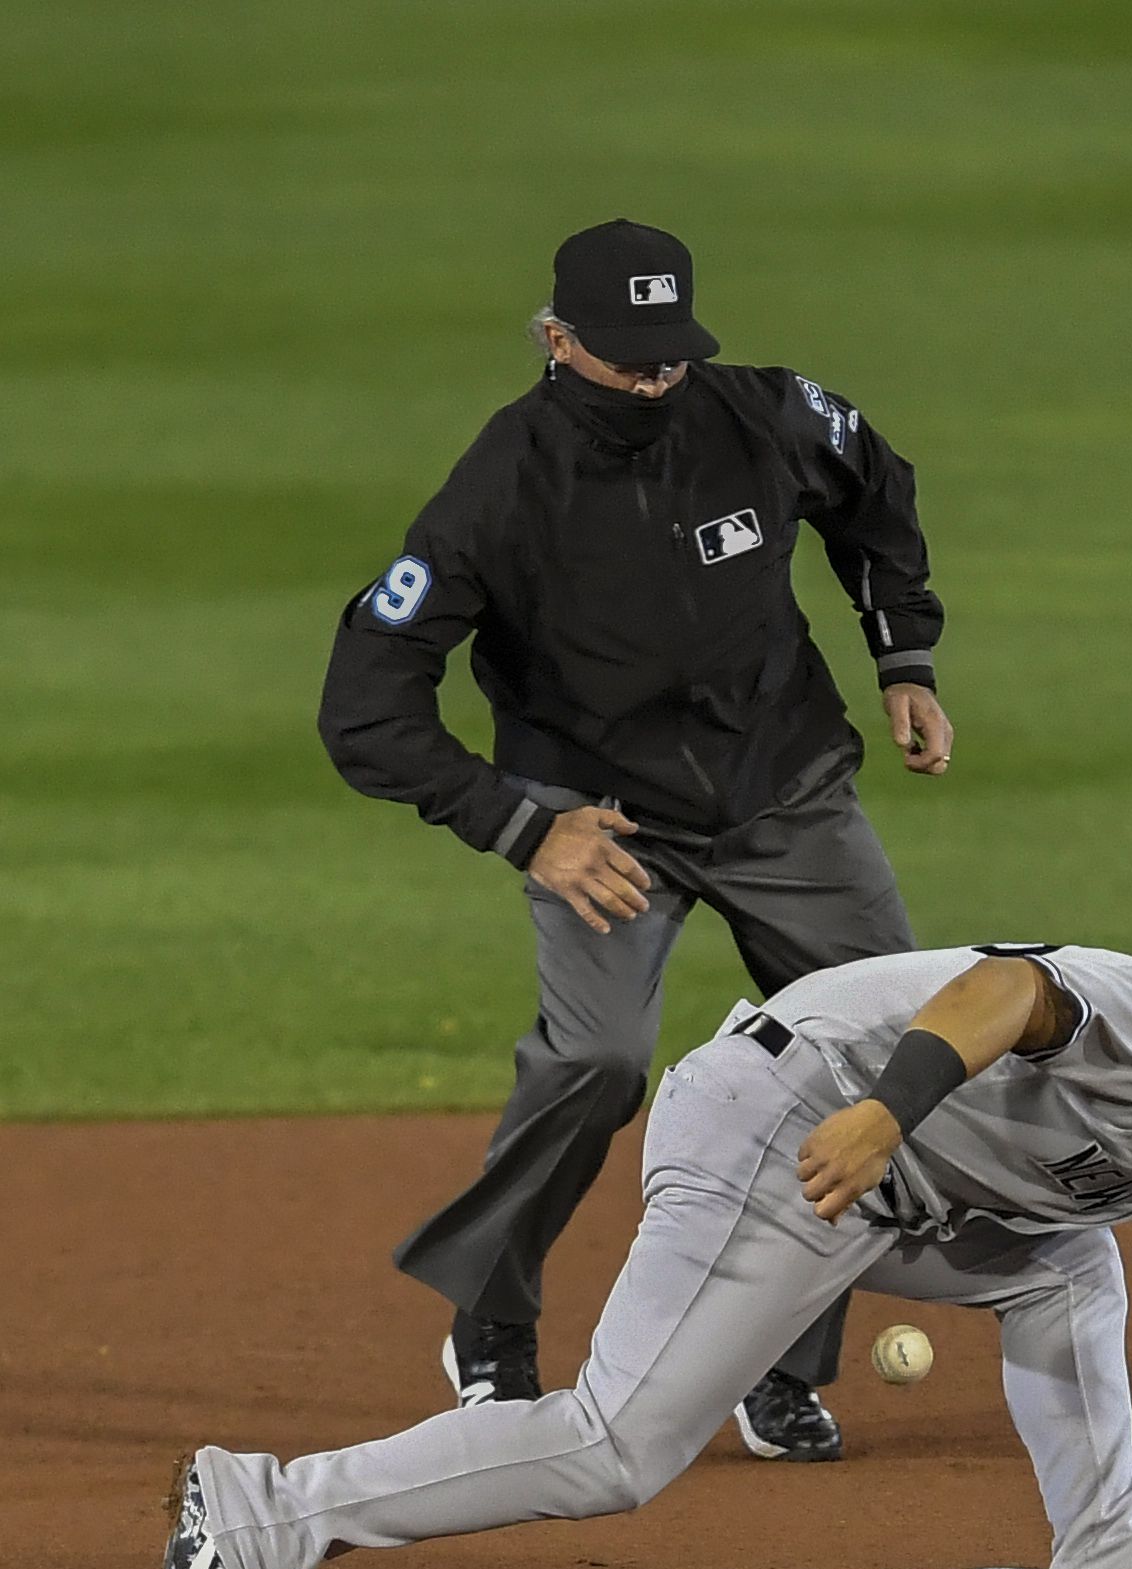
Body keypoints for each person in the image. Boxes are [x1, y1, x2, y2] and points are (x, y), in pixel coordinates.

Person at [140, 948, 1132, 1569]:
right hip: (794, 1124)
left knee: (1069, 1265)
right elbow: (1011, 989)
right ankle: (256, 1515)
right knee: (615, 1446)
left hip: (873, 1180)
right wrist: (890, 1109)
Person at [321, 217, 960, 1462]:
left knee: (882, 1056)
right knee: (599, 1062)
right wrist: (520, 824)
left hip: (785, 790)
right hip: (601, 822)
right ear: (558, 341)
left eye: (671, 354)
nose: (658, 381)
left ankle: (780, 1354)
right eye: (629, 359)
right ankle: (491, 1310)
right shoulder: (499, 486)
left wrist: (905, 656)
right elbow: (365, 706)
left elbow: (877, 487)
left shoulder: (761, 413)